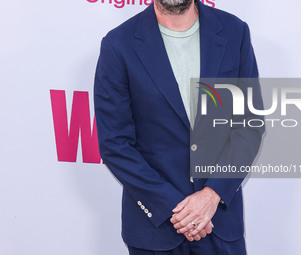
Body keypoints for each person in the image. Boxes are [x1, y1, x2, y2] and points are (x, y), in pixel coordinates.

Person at [94, 0, 264, 254]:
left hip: (218, 220)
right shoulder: (118, 44)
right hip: (155, 228)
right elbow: (114, 143)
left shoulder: (234, 32)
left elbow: (249, 125)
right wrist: (179, 209)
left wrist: (212, 194)